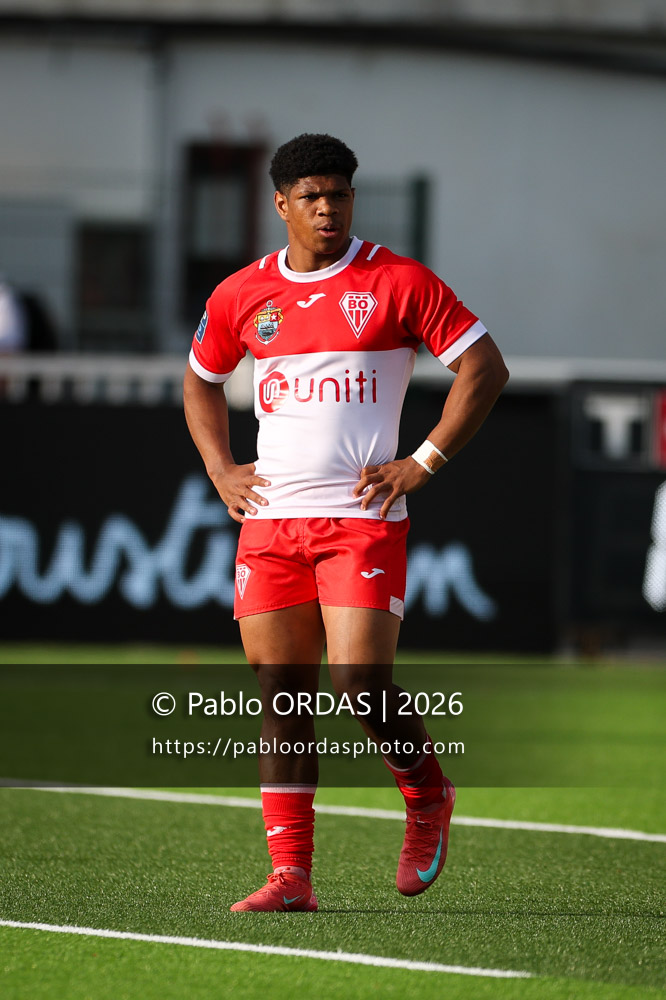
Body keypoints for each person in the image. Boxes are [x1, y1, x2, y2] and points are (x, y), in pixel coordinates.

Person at [183, 133, 508, 912]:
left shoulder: (397, 281)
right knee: (282, 695)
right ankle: (290, 876)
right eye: (312, 197)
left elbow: (484, 367)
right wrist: (220, 469)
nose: (328, 208)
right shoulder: (241, 294)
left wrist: (423, 461)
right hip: (272, 524)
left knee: (360, 681)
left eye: (340, 194)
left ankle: (427, 795)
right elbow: (200, 381)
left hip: (361, 519)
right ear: (282, 204)